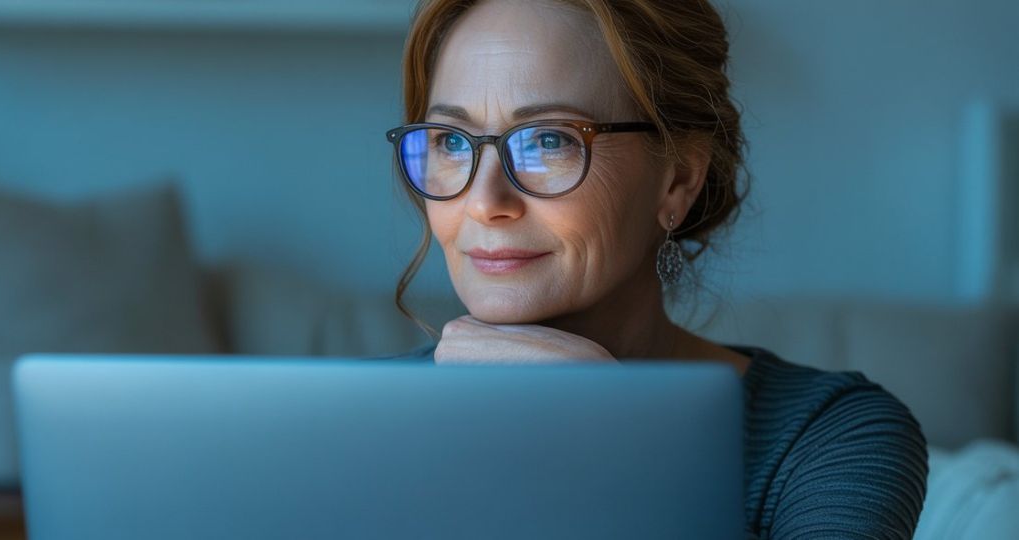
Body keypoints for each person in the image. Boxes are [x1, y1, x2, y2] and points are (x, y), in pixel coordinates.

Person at [384, 0, 928, 538]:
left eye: (549, 140)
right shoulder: (352, 425)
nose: (484, 201)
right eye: (450, 142)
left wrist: (624, 437)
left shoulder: (830, 437)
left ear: (678, 180)